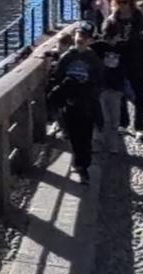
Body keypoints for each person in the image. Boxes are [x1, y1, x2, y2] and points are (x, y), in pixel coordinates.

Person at [50, 21, 104, 184]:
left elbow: (100, 81)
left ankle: (83, 166)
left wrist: (88, 90)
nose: (81, 39)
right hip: (70, 104)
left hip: (87, 105)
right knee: (74, 136)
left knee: (86, 137)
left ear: (91, 40)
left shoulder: (93, 59)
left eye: (85, 37)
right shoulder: (67, 57)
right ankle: (80, 163)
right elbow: (57, 77)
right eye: (79, 35)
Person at [105, 0, 143, 142]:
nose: (122, 5)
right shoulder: (112, 20)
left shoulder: (140, 18)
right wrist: (112, 41)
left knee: (139, 95)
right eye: (119, 2)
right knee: (121, 94)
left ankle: (139, 127)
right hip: (119, 62)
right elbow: (105, 39)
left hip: (137, 62)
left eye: (125, 2)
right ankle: (123, 123)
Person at [91, 20, 128, 153]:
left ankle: (112, 145)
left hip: (115, 87)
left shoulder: (123, 47)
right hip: (102, 87)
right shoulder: (98, 47)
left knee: (114, 118)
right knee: (103, 117)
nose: (113, 41)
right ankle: (99, 142)